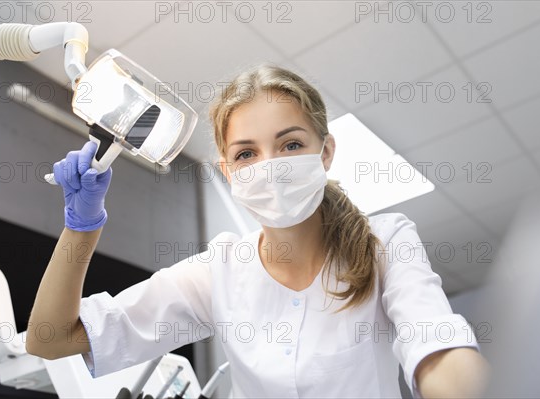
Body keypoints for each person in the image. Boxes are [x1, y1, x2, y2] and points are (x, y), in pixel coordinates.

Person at [26, 64, 490, 398]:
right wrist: (80, 228)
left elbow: (435, 343)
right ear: (227, 171)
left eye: (290, 144)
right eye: (247, 154)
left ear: (325, 152)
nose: (270, 167)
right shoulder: (220, 271)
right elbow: (50, 338)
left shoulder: (384, 241)